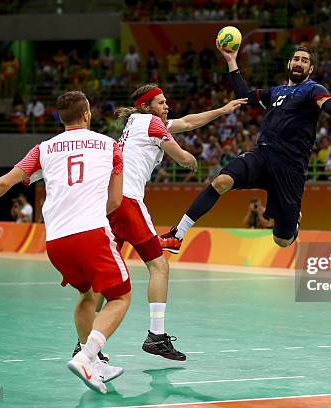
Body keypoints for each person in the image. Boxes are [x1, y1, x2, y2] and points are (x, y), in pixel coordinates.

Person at [0, 91, 131, 394]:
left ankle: (94, 361)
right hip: (91, 233)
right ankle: (85, 357)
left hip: (56, 241)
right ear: (87, 115)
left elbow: (6, 181)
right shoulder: (111, 146)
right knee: (120, 297)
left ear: (61, 118)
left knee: (88, 296)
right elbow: (115, 200)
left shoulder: (43, 149)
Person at [160, 44, 331, 252]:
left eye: (305, 61)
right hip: (263, 154)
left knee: (282, 240)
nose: (299, 63)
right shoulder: (276, 92)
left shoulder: (313, 90)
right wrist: (231, 61)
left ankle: (293, 222)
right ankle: (177, 235)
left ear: (310, 69)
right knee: (221, 181)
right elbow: (242, 94)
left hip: (290, 167)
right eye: (296, 59)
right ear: (289, 64)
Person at [106, 84, 246, 360]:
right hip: (129, 200)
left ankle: (85, 343)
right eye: (161, 102)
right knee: (159, 265)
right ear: (147, 106)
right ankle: (156, 336)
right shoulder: (151, 123)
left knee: (106, 273)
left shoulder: (138, 122)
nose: (167, 105)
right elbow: (181, 156)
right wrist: (190, 160)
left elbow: (187, 122)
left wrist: (222, 110)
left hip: (108, 202)